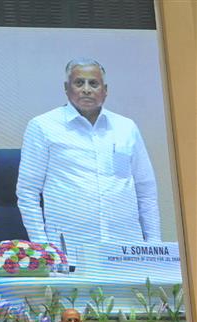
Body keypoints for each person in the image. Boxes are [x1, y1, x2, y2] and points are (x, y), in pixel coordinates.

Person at [17, 58, 161, 256]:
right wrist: (43, 248)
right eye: (79, 83)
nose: (86, 89)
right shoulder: (43, 126)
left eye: (93, 83)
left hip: (126, 247)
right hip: (69, 249)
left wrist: (154, 244)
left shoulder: (126, 127)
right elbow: (27, 192)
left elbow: (145, 190)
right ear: (66, 88)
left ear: (105, 89)